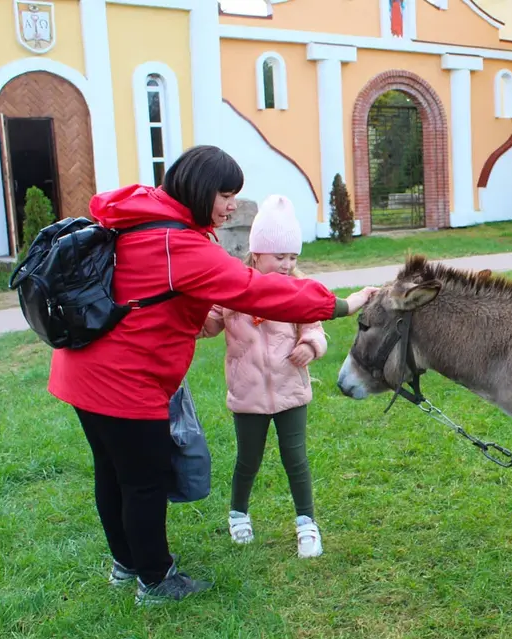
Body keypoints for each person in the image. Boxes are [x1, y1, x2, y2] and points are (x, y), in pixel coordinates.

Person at [46, 146, 379, 605]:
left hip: (82, 368)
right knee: (142, 479)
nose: (231, 205)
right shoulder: (179, 244)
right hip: (124, 380)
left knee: (112, 470)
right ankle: (156, 579)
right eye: (226, 195)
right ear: (201, 190)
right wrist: (341, 304)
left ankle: (127, 564)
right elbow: (256, 291)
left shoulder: (143, 212)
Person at [199, 195, 328, 558]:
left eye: (293, 257)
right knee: (248, 459)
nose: (288, 265)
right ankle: (238, 514)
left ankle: (307, 523)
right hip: (247, 394)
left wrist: (310, 346)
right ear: (257, 254)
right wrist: (194, 318)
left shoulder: (299, 290)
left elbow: (315, 328)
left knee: (296, 459)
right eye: (280, 256)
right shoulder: (233, 290)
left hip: (290, 392)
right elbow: (209, 324)